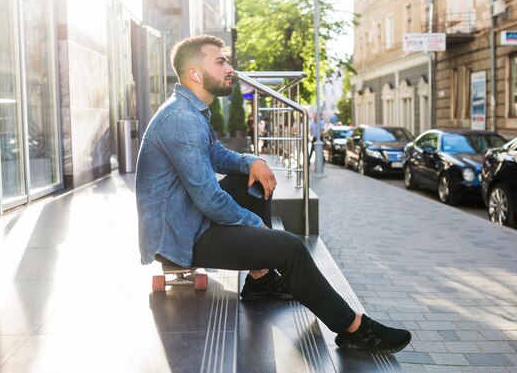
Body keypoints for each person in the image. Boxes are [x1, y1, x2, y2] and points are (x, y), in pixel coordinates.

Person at [135, 35, 411, 354]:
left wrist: (252, 161)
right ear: (195, 73)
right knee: (290, 249)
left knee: (256, 178)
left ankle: (261, 280)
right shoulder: (181, 119)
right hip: (180, 239)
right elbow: (208, 199)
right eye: (220, 61)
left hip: (187, 220)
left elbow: (216, 154)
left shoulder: (191, 110)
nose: (230, 68)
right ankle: (353, 328)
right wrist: (254, 224)